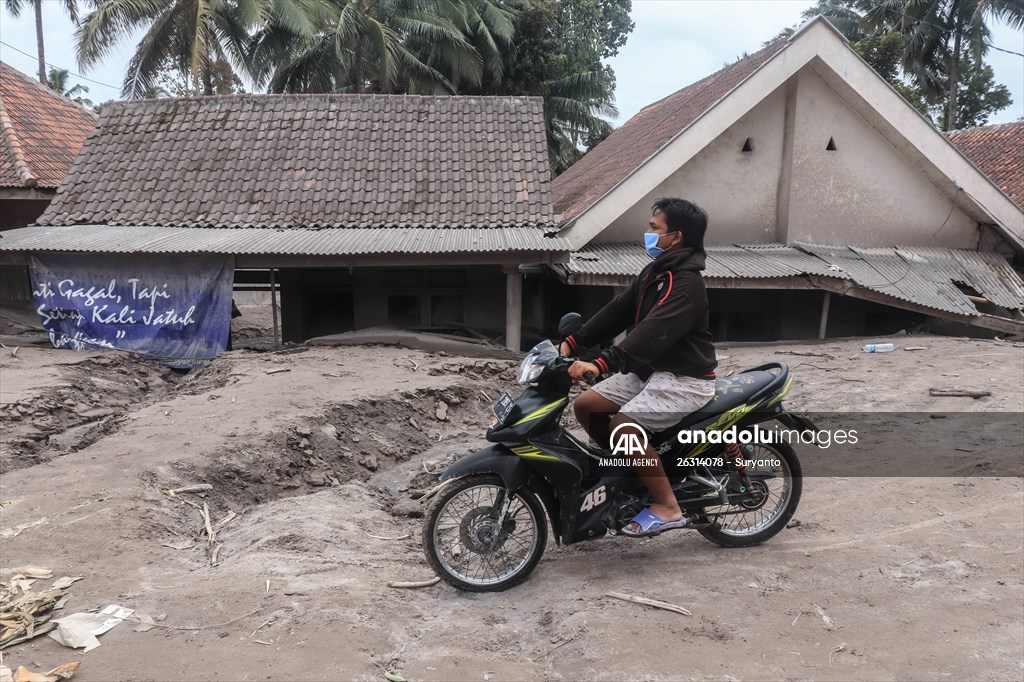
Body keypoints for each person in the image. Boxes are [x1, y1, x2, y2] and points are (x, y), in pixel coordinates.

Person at [559, 197, 718, 537]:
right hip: (650, 373)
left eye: (653, 228)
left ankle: (667, 505)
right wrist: (574, 341)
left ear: (674, 237)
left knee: (624, 427)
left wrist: (602, 363)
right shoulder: (655, 272)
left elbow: (650, 335)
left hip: (684, 380)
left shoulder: (686, 285)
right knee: (586, 406)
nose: (646, 233)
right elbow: (618, 311)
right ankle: (627, 475)